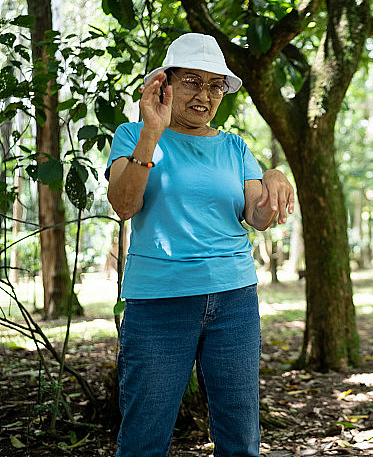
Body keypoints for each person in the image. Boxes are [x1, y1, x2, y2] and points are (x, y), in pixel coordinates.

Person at [106, 32, 295, 457]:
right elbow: (123, 204)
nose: (205, 95)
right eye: (192, 81)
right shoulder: (132, 135)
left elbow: (258, 218)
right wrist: (152, 134)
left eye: (215, 85)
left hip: (234, 301)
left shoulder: (234, 145)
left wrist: (274, 177)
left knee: (240, 435)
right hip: (159, 303)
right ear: (165, 85)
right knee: (143, 436)